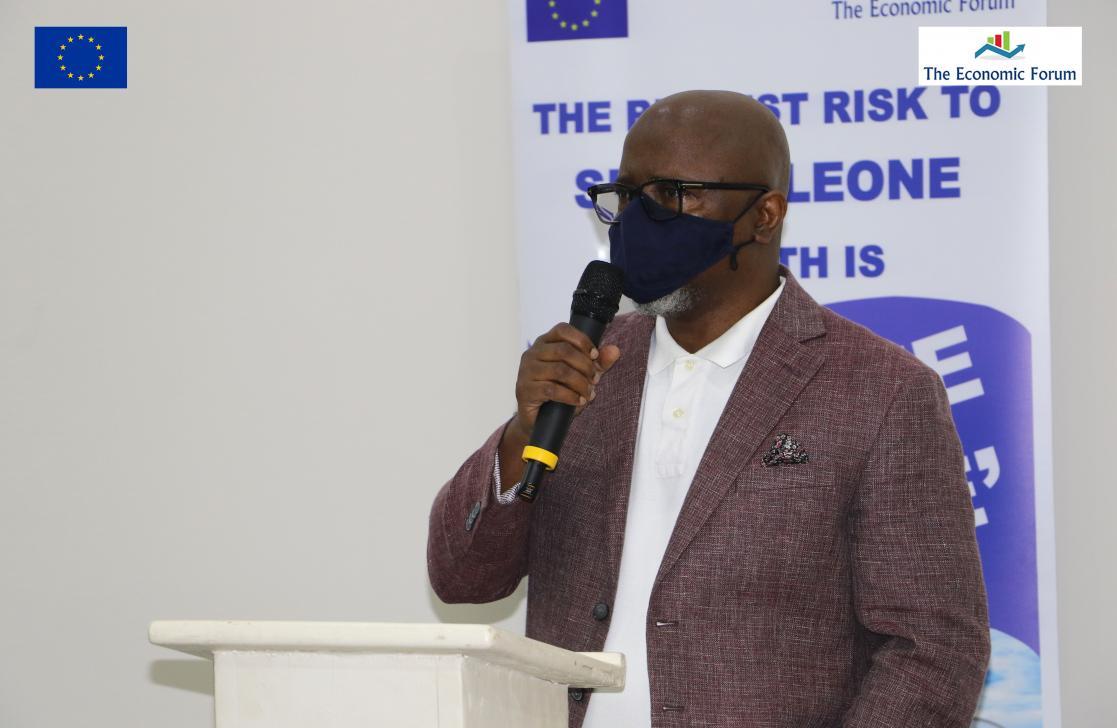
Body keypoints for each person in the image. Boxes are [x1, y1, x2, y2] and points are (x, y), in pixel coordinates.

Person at [427, 90, 989, 727]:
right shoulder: (586, 369)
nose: (640, 218)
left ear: (764, 215)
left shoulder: (879, 391)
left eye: (672, 194)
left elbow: (934, 648)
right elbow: (462, 579)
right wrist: (522, 432)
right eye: (628, 195)